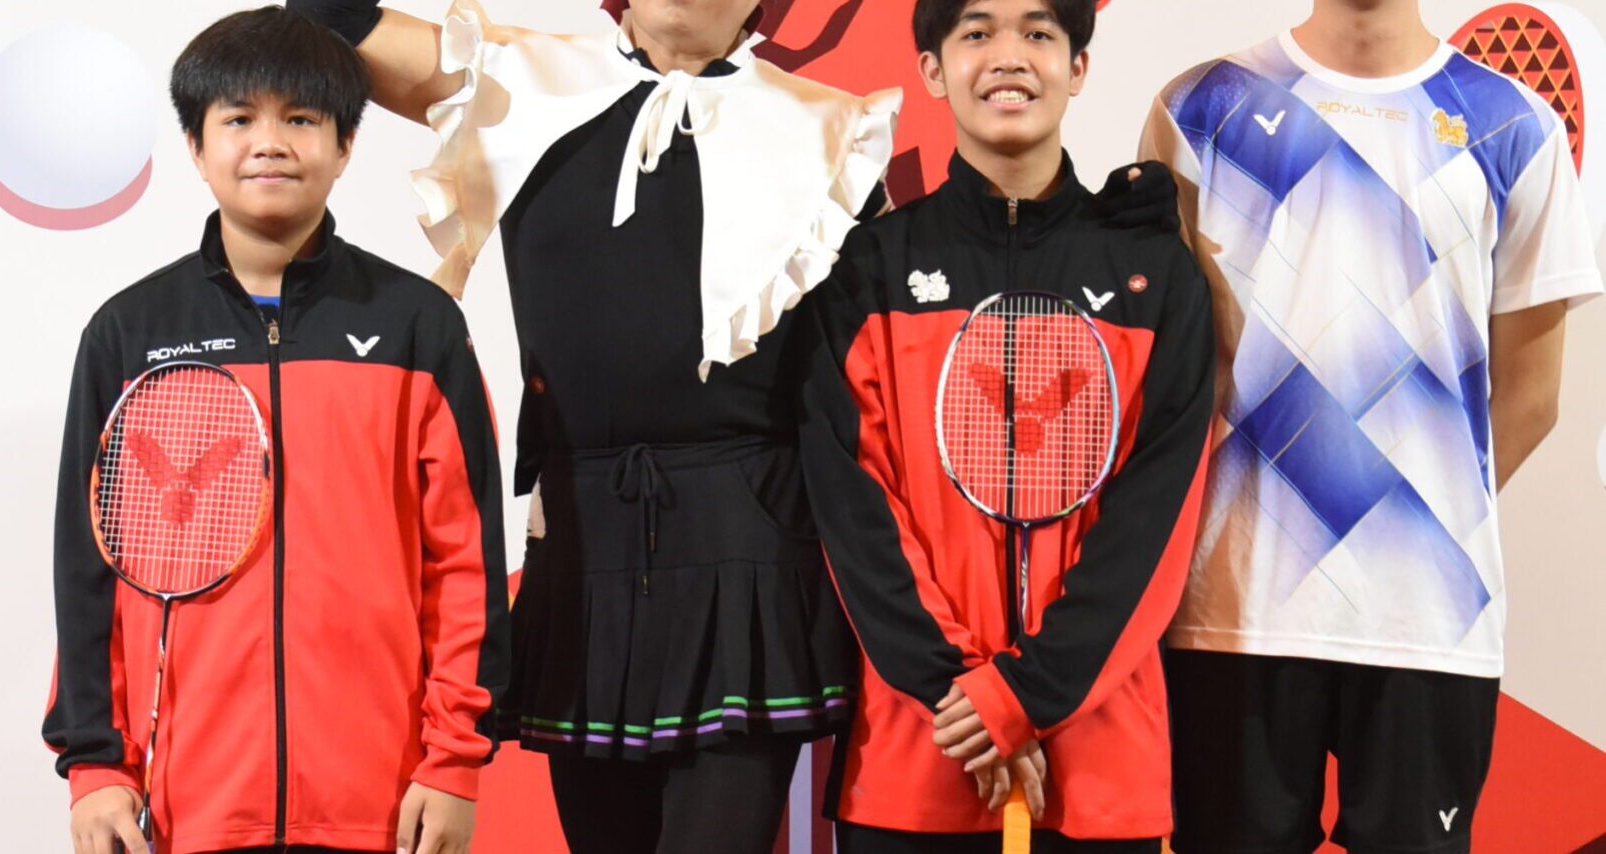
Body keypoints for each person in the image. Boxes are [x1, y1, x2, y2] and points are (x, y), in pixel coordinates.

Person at [286, 1, 900, 851]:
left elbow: (884, 374)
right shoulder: (520, 80)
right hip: (581, 534)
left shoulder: (832, 129)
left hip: (752, 529)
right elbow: (323, 21)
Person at [1138, 1, 1604, 851]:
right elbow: (1168, 377)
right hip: (1232, 611)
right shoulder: (1200, 108)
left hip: (1430, 621)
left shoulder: (1514, 125)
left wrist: (1417, 515)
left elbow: (1533, 396)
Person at [43, 9, 508, 854]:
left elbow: (464, 564)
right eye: (238, 119)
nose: (270, 143)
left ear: (345, 145)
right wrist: (96, 766)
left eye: (300, 118)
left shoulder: (418, 326)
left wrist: (452, 762)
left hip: (383, 802)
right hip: (183, 805)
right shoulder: (128, 335)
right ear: (196, 146)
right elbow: (89, 570)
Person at [796, 0, 1215, 851]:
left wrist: (1026, 694)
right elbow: (854, 508)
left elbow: (1156, 526)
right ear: (932, 69)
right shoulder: (870, 270)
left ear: (1079, 67)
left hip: (1099, 768)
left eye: (1039, 33)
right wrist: (960, 694)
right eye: (977, 33)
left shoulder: (1155, 274)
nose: (1009, 56)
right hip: (919, 756)